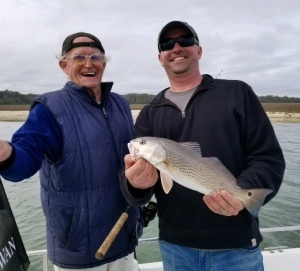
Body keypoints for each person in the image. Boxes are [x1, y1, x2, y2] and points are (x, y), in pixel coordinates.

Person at [120, 21, 285, 271]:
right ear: (160, 57)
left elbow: (268, 157)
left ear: (199, 50)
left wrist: (244, 194)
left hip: (236, 245)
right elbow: (137, 193)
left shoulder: (237, 93)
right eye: (167, 44)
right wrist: (135, 184)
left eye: (185, 41)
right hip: (176, 248)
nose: (176, 47)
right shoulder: (150, 113)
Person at [0, 32, 142, 270]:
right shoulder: (49, 107)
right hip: (78, 248)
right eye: (79, 58)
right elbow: (24, 161)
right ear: (64, 65)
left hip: (124, 239)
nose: (89, 64)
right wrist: (7, 154)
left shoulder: (121, 104)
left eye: (96, 57)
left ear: (104, 64)